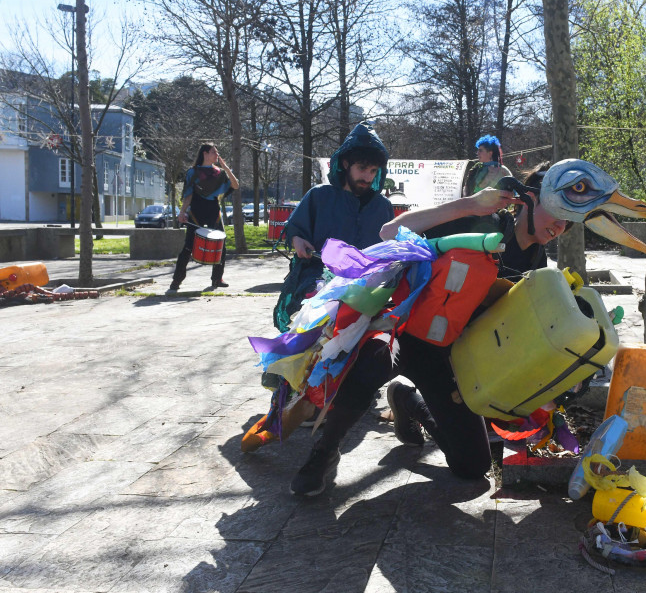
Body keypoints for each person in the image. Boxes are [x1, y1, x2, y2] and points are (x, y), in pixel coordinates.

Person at [290, 164, 569, 497]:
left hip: (448, 358)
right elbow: (390, 233)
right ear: (529, 201)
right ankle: (325, 449)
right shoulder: (481, 222)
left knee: (472, 467)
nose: (561, 225)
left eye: (568, 219)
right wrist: (470, 205)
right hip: (403, 331)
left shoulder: (537, 261)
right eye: (556, 212)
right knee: (372, 360)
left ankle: (408, 401)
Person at [273, 121, 395, 331]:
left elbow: (390, 250)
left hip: (367, 286)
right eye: (362, 168)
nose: (367, 177)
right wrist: (297, 240)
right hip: (318, 279)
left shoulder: (382, 207)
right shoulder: (319, 196)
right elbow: (295, 228)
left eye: (373, 171)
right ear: (346, 163)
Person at [166, 144, 239, 294]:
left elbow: (235, 185)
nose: (217, 155)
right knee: (188, 246)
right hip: (196, 211)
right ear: (205, 154)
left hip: (213, 210)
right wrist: (182, 212)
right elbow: (188, 195)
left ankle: (217, 278)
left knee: (221, 246)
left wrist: (226, 167)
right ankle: (176, 280)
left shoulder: (220, 173)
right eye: (214, 152)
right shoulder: (193, 172)